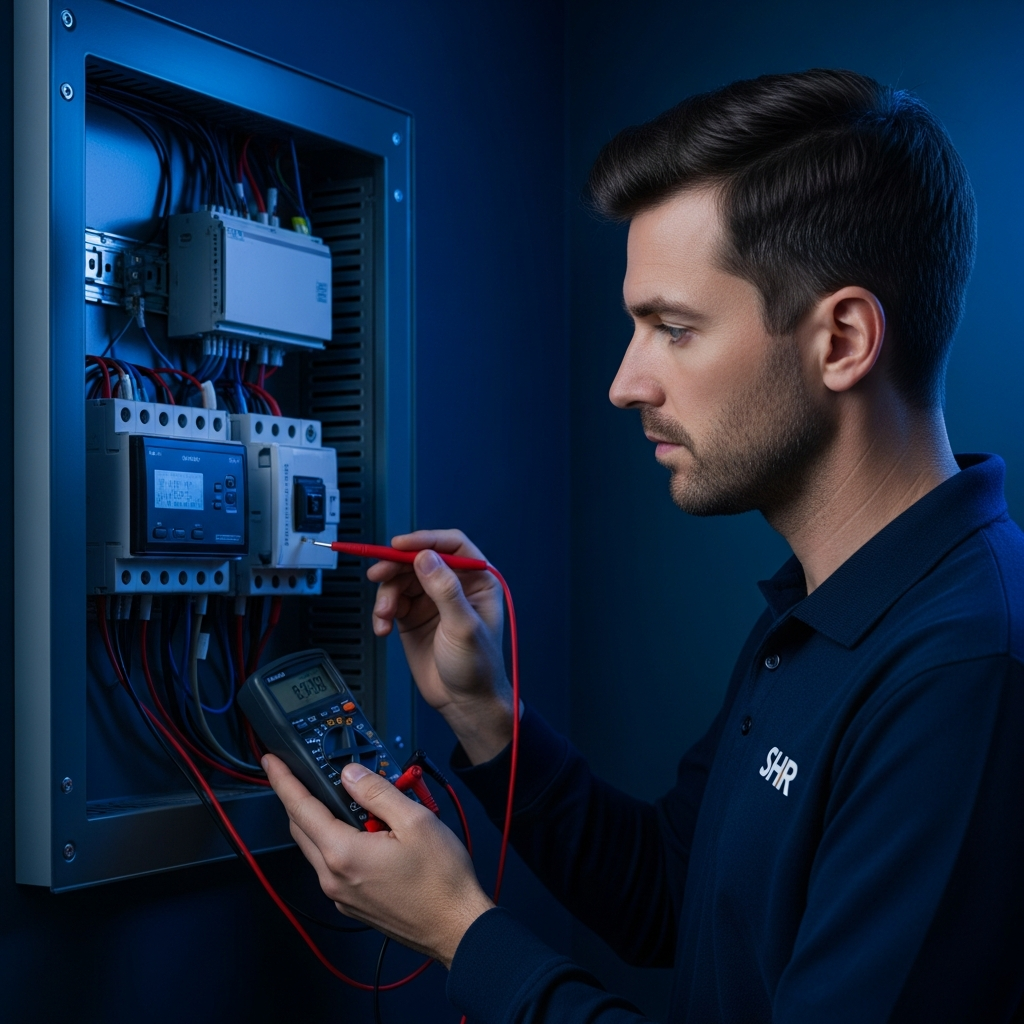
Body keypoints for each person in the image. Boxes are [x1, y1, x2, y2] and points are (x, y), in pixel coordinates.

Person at [263, 69, 1024, 1022]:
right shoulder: (828, 607)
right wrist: (489, 720)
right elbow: (675, 895)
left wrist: (463, 932)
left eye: (673, 329)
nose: (626, 383)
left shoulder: (965, 673)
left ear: (842, 341)